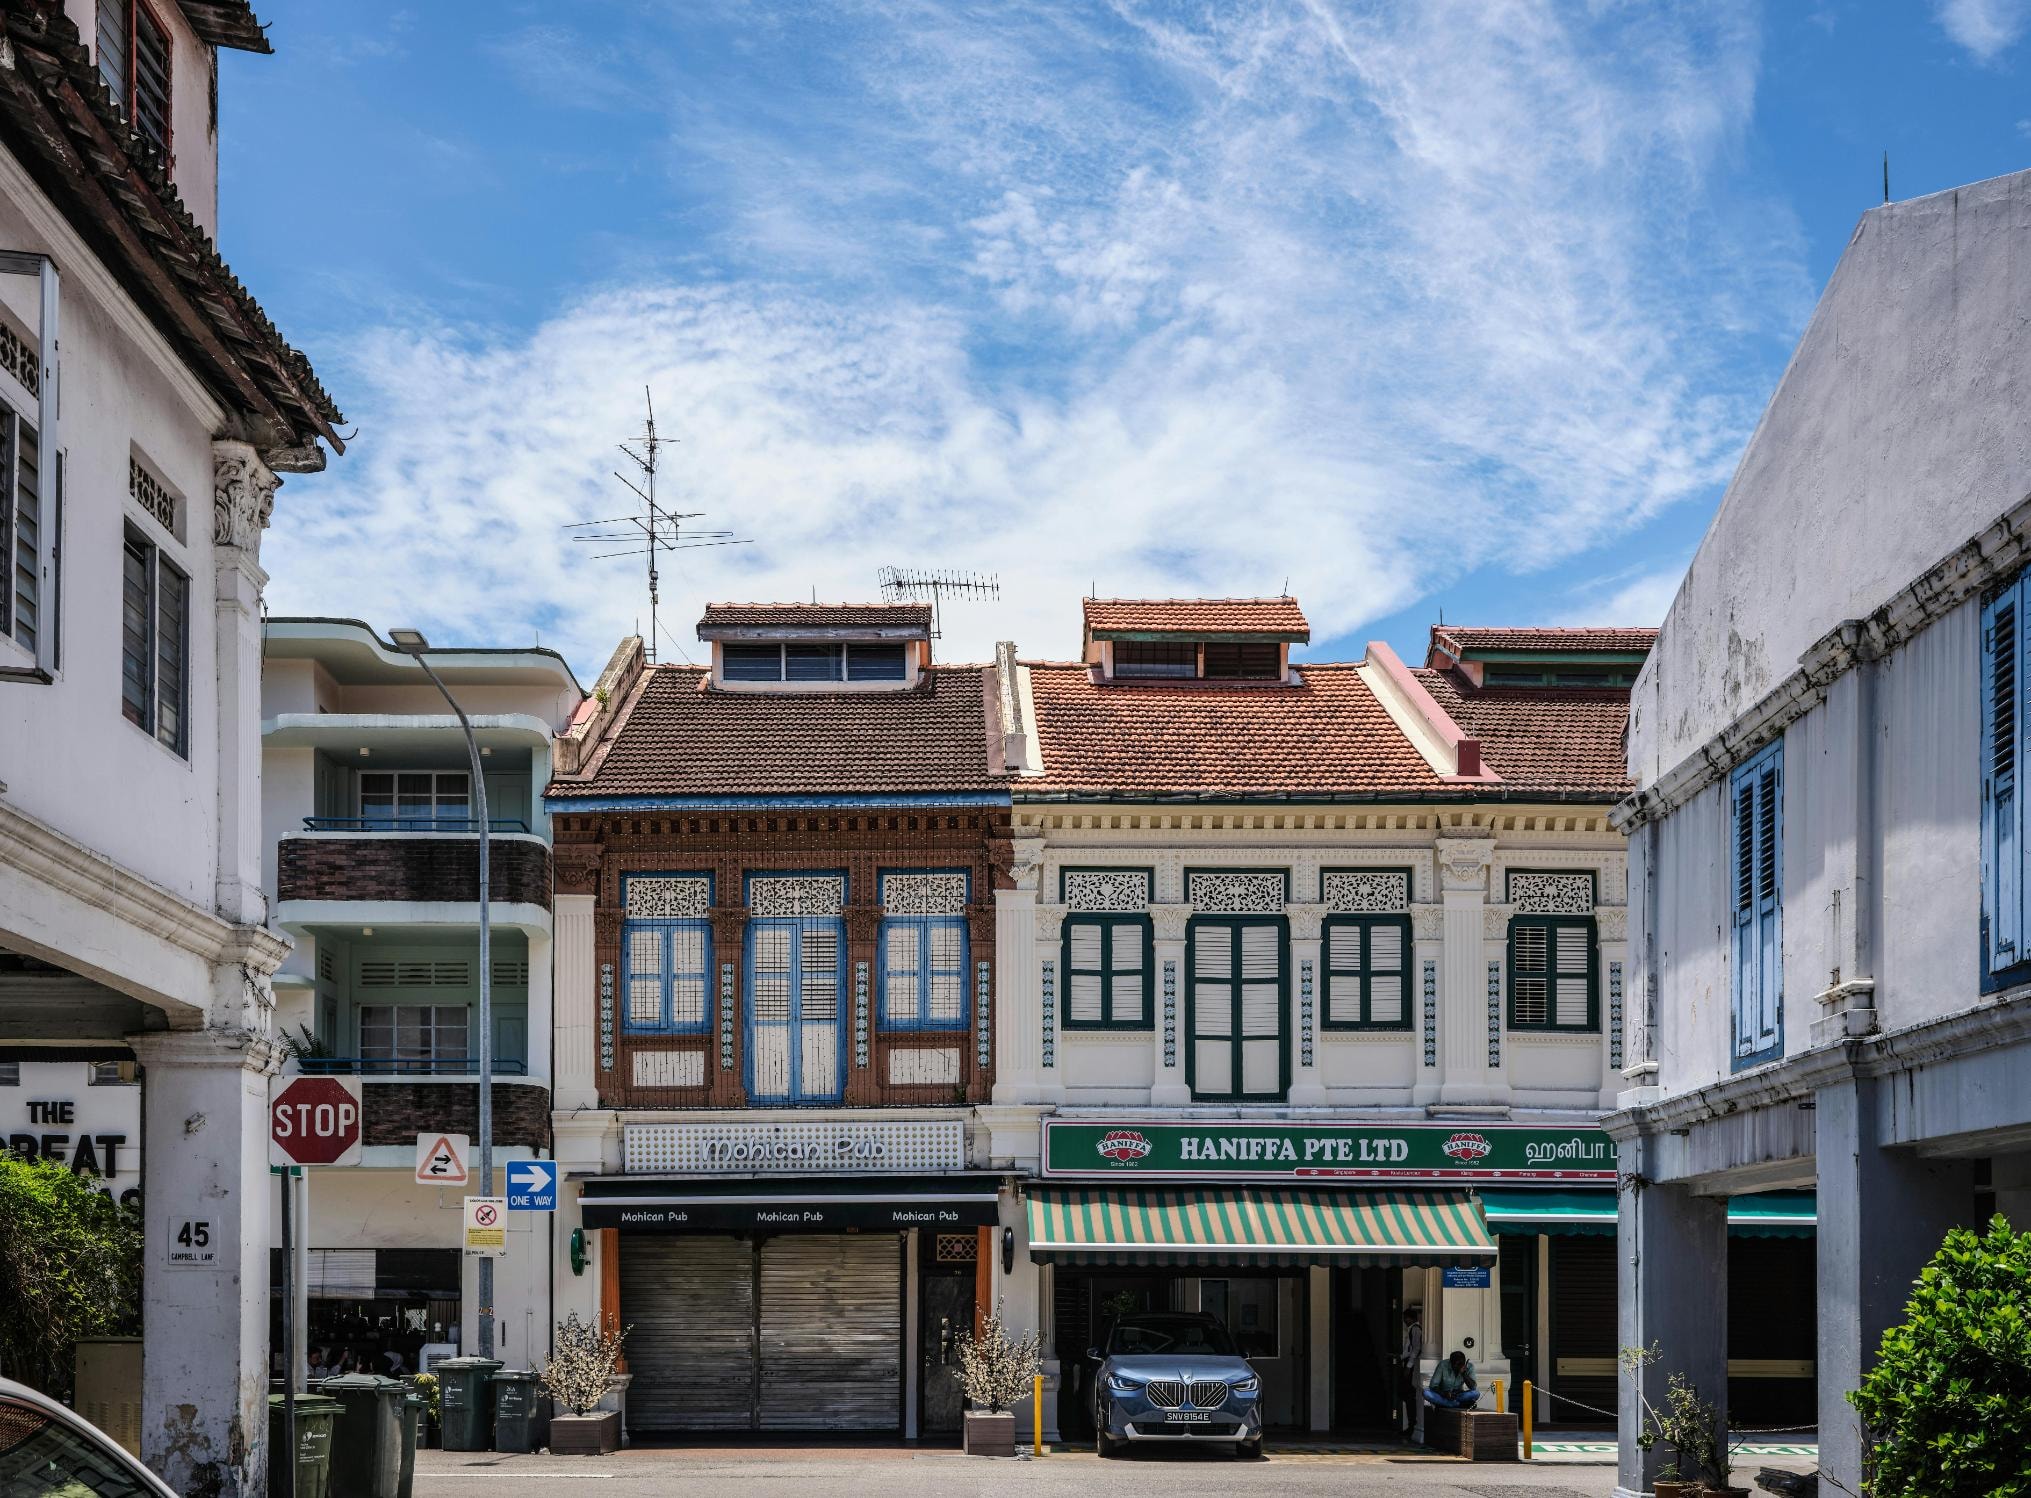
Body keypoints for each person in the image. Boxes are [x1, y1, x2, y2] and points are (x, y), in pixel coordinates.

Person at [1398, 1306, 1425, 1438]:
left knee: (1409, 1395)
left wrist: (1408, 1366)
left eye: (1405, 1318)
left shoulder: (1415, 1329)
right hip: (1408, 1362)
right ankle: (1411, 1425)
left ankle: (1412, 1425)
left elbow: (1415, 1349)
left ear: (1410, 1318)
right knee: (1407, 1395)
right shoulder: (1411, 1329)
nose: (1404, 1321)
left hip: (1411, 1365)